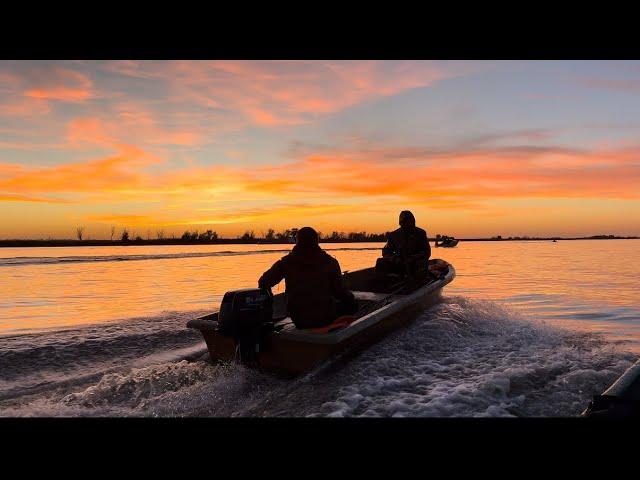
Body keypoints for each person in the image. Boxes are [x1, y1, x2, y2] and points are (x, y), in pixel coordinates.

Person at [258, 227, 357, 329]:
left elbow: (263, 282)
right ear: (317, 241)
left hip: (298, 319)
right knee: (351, 305)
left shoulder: (286, 262)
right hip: (325, 317)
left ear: (297, 242)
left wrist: (267, 308)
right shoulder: (330, 262)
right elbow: (339, 292)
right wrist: (350, 298)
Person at [376, 210, 431, 276]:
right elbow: (386, 251)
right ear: (401, 223)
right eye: (405, 222)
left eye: (410, 221)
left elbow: (427, 252)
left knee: (422, 263)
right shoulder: (393, 235)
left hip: (415, 264)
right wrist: (395, 259)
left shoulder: (421, 233)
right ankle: (384, 280)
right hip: (399, 263)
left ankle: (418, 281)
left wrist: (413, 258)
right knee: (380, 262)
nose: (408, 224)